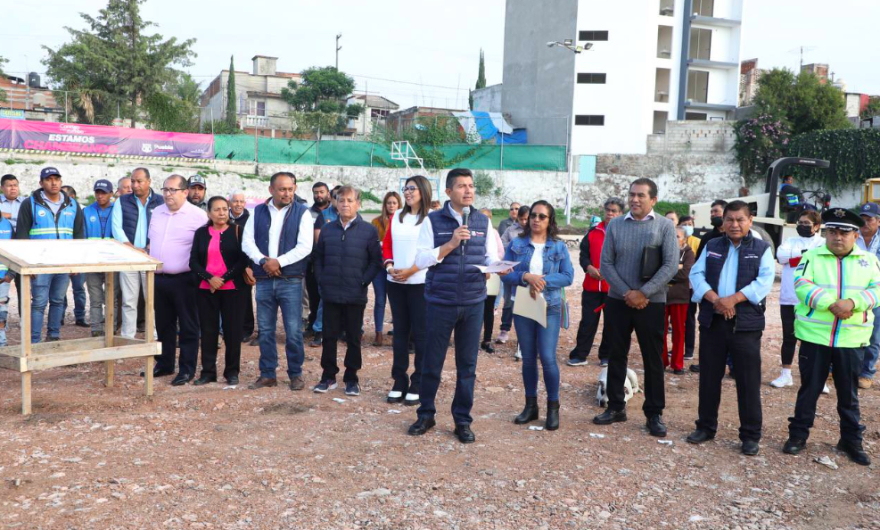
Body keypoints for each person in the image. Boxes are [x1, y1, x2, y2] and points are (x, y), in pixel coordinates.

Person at [408, 168, 502, 444]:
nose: (468, 191)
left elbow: (490, 256)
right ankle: (426, 414)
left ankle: (462, 420)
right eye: (462, 186)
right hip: (441, 301)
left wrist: (497, 268)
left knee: (467, 366)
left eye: (471, 185)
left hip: (473, 302)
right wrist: (450, 244)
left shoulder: (483, 222)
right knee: (431, 362)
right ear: (448, 192)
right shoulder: (433, 221)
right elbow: (422, 258)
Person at [783, 207, 878, 466]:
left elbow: (876, 289)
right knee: (809, 390)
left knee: (848, 394)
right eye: (833, 231)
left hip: (851, 340)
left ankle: (851, 440)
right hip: (815, 337)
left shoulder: (869, 260)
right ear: (825, 233)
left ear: (855, 235)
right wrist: (831, 304)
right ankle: (798, 436)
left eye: (844, 232)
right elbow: (801, 285)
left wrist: (852, 303)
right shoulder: (812, 257)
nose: (838, 237)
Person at [686, 200, 774, 455]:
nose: (734, 225)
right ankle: (705, 427)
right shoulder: (712, 245)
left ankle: (750, 435)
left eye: (740, 220)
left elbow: (764, 281)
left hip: (745, 325)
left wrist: (733, 300)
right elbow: (696, 275)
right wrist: (716, 300)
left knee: (747, 381)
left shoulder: (761, 248)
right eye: (730, 220)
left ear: (749, 221)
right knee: (709, 377)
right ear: (723, 222)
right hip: (714, 321)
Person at [592, 178, 678, 438]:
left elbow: (670, 265)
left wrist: (643, 292)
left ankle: (654, 413)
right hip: (619, 301)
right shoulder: (616, 225)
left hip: (651, 303)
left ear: (653, 200)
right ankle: (616, 406)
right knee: (616, 354)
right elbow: (606, 264)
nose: (635, 199)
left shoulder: (664, 226)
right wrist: (628, 292)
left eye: (641, 195)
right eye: (632, 195)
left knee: (653, 359)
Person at [502, 201, 574, 430]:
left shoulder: (558, 247)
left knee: (548, 357)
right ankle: (531, 406)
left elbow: (568, 276)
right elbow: (505, 273)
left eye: (542, 216)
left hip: (550, 305)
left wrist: (541, 281)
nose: (536, 219)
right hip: (523, 305)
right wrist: (525, 277)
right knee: (528, 357)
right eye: (533, 215)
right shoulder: (516, 243)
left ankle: (553, 408)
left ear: (549, 220)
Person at [242, 172, 314, 391]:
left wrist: (278, 262)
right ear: (271, 190)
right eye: (282, 189)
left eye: (291, 189)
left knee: (293, 331)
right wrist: (264, 261)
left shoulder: (302, 213)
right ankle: (267, 374)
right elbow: (247, 242)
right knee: (265, 330)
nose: (287, 193)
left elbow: (305, 246)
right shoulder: (258, 212)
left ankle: (295, 374)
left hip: (290, 280)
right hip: (264, 279)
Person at [313, 186, 382, 396]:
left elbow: (375, 261)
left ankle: (351, 378)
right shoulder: (327, 229)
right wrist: (323, 280)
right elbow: (318, 258)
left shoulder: (369, 231)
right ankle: (328, 376)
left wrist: (363, 282)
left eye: (350, 201)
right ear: (336, 203)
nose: (345, 204)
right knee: (329, 336)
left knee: (353, 337)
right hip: (331, 292)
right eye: (341, 200)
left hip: (355, 293)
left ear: (358, 204)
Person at [148, 175, 208, 385]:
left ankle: (186, 369)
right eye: (165, 189)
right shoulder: (157, 212)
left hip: (186, 279)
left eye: (173, 190)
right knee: (164, 324)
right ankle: (165, 363)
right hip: (159, 278)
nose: (167, 194)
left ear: (185, 192)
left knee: (188, 325)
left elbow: (205, 248)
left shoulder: (198, 215)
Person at [15, 167, 85, 343]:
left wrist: (76, 263)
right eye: (49, 179)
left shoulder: (73, 205)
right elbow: (22, 236)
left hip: (63, 263)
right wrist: (26, 265)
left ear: (61, 182)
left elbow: (78, 236)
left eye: (57, 179)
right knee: (38, 303)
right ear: (41, 183)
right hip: (39, 264)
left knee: (58, 301)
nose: (53, 182)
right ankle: (35, 341)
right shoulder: (29, 204)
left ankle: (53, 336)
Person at [383, 175, 432, 406]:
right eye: (405, 188)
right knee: (400, 334)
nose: (407, 192)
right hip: (396, 283)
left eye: (412, 188)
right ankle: (399, 381)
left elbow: (435, 252)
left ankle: (418, 382)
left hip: (420, 282)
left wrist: (411, 270)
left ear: (423, 190)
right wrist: (390, 266)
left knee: (421, 335)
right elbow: (387, 245)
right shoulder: (396, 217)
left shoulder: (431, 219)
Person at [190, 196, 248, 386]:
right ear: (209, 213)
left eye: (224, 209)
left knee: (232, 332)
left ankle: (232, 372)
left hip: (233, 289)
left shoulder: (237, 231)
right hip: (206, 290)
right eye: (217, 209)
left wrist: (223, 279)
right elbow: (194, 262)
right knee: (208, 331)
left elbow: (243, 260)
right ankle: (208, 372)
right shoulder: (201, 233)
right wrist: (209, 278)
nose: (222, 213)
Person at [771, 209, 824, 389]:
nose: (802, 226)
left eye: (806, 224)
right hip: (789, 297)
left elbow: (820, 262)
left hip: (813, 298)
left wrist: (796, 259)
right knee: (789, 337)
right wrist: (807, 257)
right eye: (800, 223)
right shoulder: (790, 241)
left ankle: (816, 378)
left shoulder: (823, 243)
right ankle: (786, 374)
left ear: (816, 226)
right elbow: (781, 257)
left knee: (813, 339)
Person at [568, 197, 623, 367]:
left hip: (613, 288)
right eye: (608, 210)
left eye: (614, 211)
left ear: (621, 213)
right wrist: (589, 267)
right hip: (592, 286)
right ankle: (580, 354)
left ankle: (606, 355)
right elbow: (583, 255)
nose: (610, 213)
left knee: (612, 324)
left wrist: (612, 274)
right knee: (588, 321)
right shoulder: (593, 233)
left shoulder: (625, 233)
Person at [112, 168, 163, 340]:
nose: (135, 185)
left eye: (139, 181)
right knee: (129, 300)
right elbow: (117, 228)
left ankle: (155, 334)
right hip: (129, 256)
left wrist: (151, 245)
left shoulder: (160, 202)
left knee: (152, 300)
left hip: (151, 256)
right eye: (133, 181)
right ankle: (128, 336)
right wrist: (132, 248)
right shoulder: (122, 201)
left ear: (149, 181)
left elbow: (164, 228)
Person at [690, 199, 728, 374]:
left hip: (730, 294)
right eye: (712, 212)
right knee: (707, 327)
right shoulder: (707, 238)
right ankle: (706, 362)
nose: (713, 214)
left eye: (717, 211)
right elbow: (698, 265)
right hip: (708, 292)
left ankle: (733, 366)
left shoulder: (737, 237)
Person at [309, 185, 341, 348]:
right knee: (324, 300)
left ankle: (348, 331)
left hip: (348, 265)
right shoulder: (324, 216)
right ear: (331, 198)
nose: (340, 201)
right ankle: (319, 331)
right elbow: (319, 241)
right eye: (336, 197)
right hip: (328, 263)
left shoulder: (356, 217)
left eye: (345, 199)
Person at [83, 179, 115, 337]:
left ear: (111, 193)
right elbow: (82, 236)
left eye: (104, 192)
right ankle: (96, 327)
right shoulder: (87, 211)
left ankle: (112, 326)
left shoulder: (117, 210)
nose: (100, 195)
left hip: (113, 261)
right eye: (98, 192)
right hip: (93, 261)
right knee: (95, 297)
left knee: (113, 297)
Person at [370, 191, 401, 346]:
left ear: (399, 204)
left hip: (397, 266)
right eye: (389, 203)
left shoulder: (403, 221)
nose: (391, 205)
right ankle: (378, 333)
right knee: (380, 300)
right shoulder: (376, 222)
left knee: (397, 301)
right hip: (380, 267)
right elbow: (372, 244)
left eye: (394, 203)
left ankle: (399, 331)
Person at [497, 205, 530, 344]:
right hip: (511, 272)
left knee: (527, 302)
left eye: (526, 219)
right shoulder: (510, 231)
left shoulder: (535, 232)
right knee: (509, 301)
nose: (524, 222)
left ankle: (524, 335)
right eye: (521, 219)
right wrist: (513, 246)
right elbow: (502, 244)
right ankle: (504, 329)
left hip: (527, 274)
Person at [855, 202, 880, 390]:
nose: (865, 223)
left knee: (874, 335)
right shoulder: (852, 238)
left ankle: (867, 373)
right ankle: (837, 367)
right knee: (850, 330)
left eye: (869, 219)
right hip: (853, 292)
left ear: (878, 221)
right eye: (862, 219)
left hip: (877, 294)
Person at [664, 227, 695, 375]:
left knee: (678, 331)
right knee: (660, 331)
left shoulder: (688, 253)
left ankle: (677, 364)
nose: (673, 239)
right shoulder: (662, 250)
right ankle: (662, 361)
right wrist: (676, 268)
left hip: (679, 298)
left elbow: (685, 274)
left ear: (684, 239)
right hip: (661, 296)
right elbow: (654, 269)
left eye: (677, 236)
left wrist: (667, 270)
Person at [228, 190, 256, 344]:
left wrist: (250, 266)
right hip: (227, 266)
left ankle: (246, 329)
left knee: (245, 299)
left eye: (241, 201)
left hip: (245, 266)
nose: (238, 204)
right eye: (235, 201)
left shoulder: (251, 219)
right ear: (229, 202)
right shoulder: (225, 219)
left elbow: (253, 245)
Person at [305, 182, 331, 343]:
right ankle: (312, 323)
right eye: (315, 192)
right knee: (313, 294)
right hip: (310, 260)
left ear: (328, 193)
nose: (318, 195)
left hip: (328, 260)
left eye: (321, 192)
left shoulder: (334, 212)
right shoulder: (308, 213)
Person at [60, 185, 88, 328]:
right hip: (61, 255)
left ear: (72, 197)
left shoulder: (81, 210)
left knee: (78, 288)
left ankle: (80, 317)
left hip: (77, 255)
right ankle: (60, 316)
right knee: (61, 289)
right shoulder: (56, 210)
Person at [479, 207, 504, 353]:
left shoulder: (494, 233)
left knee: (488, 309)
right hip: (475, 276)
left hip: (490, 277)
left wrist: (488, 268)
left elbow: (499, 253)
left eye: (487, 218)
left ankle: (487, 339)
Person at [1, 174, 25, 315]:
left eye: (15, 185)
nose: (13, 188)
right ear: (2, 188)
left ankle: (23, 318)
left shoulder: (25, 202)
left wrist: (6, 215)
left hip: (21, 249)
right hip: (3, 250)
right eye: (9, 185)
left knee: (23, 286)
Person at [0, 211, 13, 346]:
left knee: (1, 311)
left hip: (2, 278)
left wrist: (11, 274)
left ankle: (1, 343)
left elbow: (15, 250)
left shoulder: (7, 225)